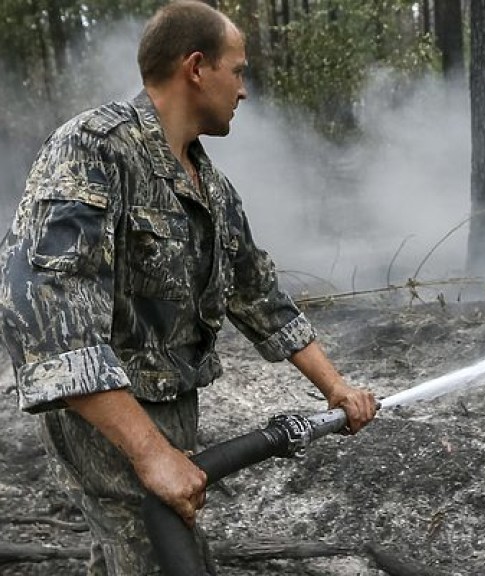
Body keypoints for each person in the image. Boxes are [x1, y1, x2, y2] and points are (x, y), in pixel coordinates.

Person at [0, 1, 378, 574]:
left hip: (173, 409)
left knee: (134, 556)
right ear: (196, 68)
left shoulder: (214, 190)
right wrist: (151, 453)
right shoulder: (92, 149)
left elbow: (260, 296)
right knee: (162, 557)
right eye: (240, 70)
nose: (244, 90)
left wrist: (336, 389)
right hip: (108, 419)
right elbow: (48, 319)